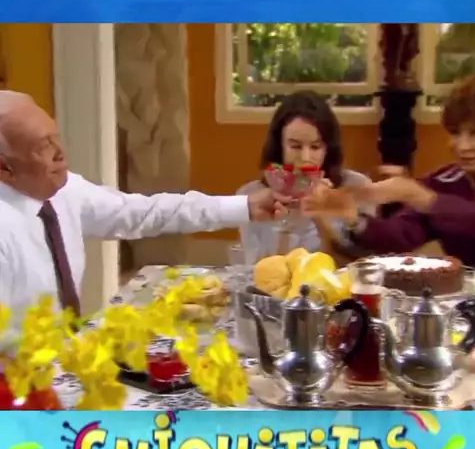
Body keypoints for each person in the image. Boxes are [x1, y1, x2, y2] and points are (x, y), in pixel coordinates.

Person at [0, 91, 290, 326]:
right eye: (43, 147)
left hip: (69, 359)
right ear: (5, 168)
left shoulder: (67, 191)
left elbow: (144, 212)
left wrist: (245, 206)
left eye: (56, 137)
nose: (60, 153)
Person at [301, 74, 475, 267]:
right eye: (455, 133)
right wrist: (355, 218)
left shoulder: (428, 194)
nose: (463, 146)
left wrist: (423, 199)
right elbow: (400, 238)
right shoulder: (442, 182)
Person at [237, 91, 373, 260]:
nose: (305, 158)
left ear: (328, 148)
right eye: (295, 146)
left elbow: (358, 265)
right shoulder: (250, 195)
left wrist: (320, 216)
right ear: (280, 146)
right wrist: (289, 215)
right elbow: (261, 270)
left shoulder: (358, 186)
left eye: (315, 147)